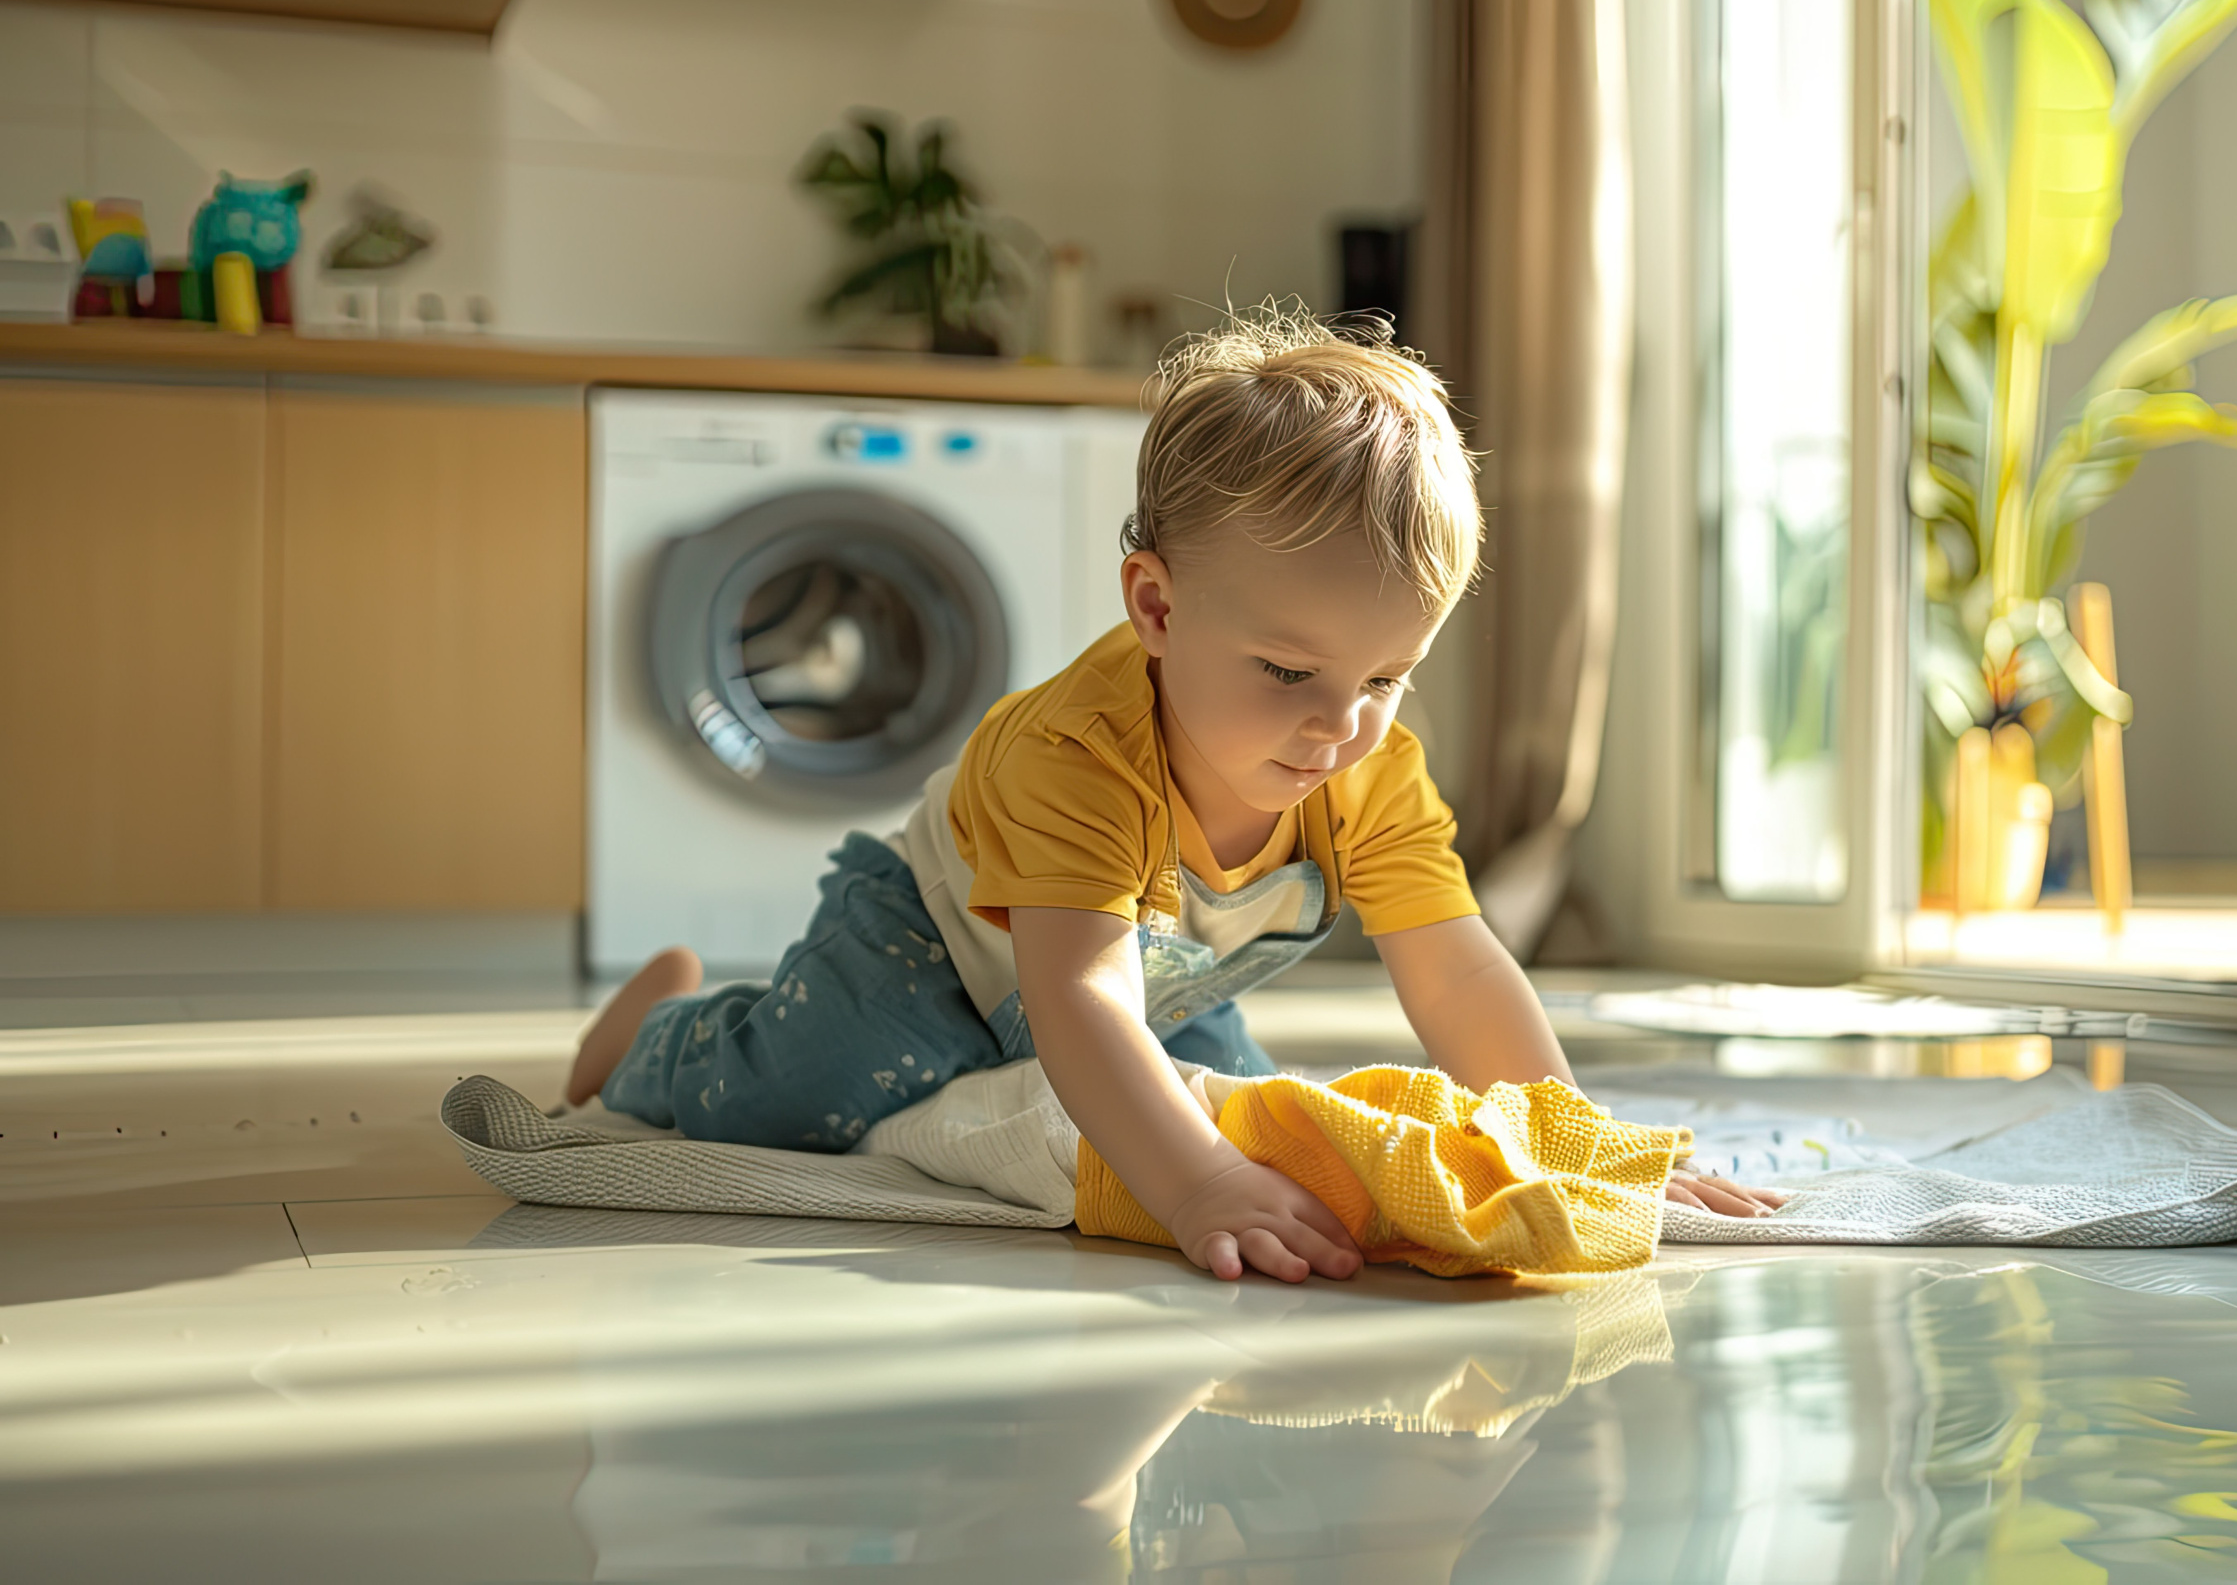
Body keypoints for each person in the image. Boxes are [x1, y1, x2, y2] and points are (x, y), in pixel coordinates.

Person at [566, 304, 1784, 1285]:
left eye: (1386, 676)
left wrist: (1569, 1144)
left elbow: (1457, 967)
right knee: (804, 1091)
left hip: (1163, 979)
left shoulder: (1368, 762)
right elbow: (1075, 989)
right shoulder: (1077, 750)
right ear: (1155, 606)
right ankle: (657, 1034)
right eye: (1288, 670)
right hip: (935, 943)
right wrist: (1192, 1183)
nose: (1337, 722)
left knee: (1261, 1115)